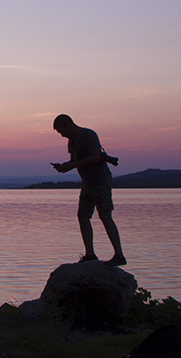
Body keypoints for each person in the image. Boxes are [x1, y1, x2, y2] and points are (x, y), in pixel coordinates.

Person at [50, 114, 126, 266]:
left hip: (100, 181)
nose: (62, 135)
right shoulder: (71, 141)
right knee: (83, 216)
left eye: (61, 131)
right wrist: (64, 166)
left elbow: (95, 157)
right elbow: (74, 161)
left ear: (69, 125)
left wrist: (72, 165)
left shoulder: (89, 135)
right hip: (87, 184)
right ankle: (90, 254)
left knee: (105, 216)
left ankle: (119, 255)